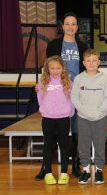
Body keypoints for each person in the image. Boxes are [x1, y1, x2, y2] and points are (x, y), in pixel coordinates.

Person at [35, 12, 88, 180]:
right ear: (62, 26)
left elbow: (86, 71)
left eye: (73, 24)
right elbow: (47, 69)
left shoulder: (83, 47)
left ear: (77, 27)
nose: (70, 27)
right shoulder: (53, 46)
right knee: (51, 135)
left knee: (76, 131)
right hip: (57, 95)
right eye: (67, 24)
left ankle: (75, 166)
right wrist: (41, 85)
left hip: (76, 94)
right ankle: (46, 168)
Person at [71, 49, 107, 184]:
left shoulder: (104, 79)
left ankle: (99, 170)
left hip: (100, 118)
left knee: (100, 145)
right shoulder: (79, 78)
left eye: (94, 60)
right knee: (83, 145)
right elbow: (74, 97)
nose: (91, 63)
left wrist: (101, 110)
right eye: (88, 60)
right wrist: (82, 110)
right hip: (83, 118)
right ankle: (86, 171)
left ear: (99, 62)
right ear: (83, 63)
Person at [37, 55, 74, 185]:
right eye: (52, 68)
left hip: (64, 118)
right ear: (47, 69)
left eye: (58, 68)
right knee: (48, 145)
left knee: (64, 146)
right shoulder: (43, 82)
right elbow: (40, 98)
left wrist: (70, 111)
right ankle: (48, 173)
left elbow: (71, 99)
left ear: (62, 68)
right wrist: (44, 109)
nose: (55, 70)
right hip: (48, 118)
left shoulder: (68, 81)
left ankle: (64, 173)